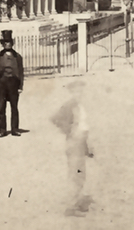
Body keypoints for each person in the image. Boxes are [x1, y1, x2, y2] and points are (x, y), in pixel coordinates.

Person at [51, 78, 94, 217]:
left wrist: (87, 147)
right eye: (76, 91)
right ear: (71, 92)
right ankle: (71, 207)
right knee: (75, 175)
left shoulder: (80, 105)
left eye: (81, 91)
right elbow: (55, 119)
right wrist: (70, 130)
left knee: (81, 174)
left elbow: (84, 126)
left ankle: (77, 201)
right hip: (74, 143)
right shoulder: (69, 105)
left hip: (81, 142)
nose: (79, 93)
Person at [0, 30, 24, 137]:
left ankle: (14, 129)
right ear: (2, 44)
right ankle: (2, 130)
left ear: (12, 43)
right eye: (5, 42)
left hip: (13, 84)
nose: (7, 44)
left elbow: (21, 72)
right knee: (2, 107)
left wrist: (20, 86)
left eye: (9, 42)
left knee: (14, 107)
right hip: (2, 84)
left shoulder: (17, 56)